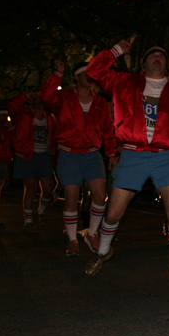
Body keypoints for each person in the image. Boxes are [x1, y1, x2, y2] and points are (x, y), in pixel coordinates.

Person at [83, 41, 169, 284]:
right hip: (132, 154)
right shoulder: (125, 82)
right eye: (152, 55)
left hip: (165, 157)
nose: (158, 57)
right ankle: (103, 252)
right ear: (143, 63)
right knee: (114, 213)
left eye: (162, 55)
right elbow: (93, 72)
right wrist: (116, 50)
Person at [41, 60, 117, 257]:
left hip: (92, 154)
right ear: (76, 77)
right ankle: (73, 240)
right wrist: (57, 74)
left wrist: (111, 153)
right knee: (72, 198)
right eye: (86, 74)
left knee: (100, 195)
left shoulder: (100, 102)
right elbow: (46, 96)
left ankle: (92, 233)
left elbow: (108, 130)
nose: (91, 77)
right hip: (69, 153)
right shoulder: (64, 97)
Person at [8, 92, 56, 235]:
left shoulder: (49, 117)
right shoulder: (23, 114)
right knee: (30, 187)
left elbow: (54, 134)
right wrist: (26, 96)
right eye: (36, 99)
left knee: (48, 188)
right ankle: (28, 221)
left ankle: (40, 212)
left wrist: (54, 146)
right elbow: (11, 106)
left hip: (44, 155)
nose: (39, 102)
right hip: (27, 155)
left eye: (41, 99)